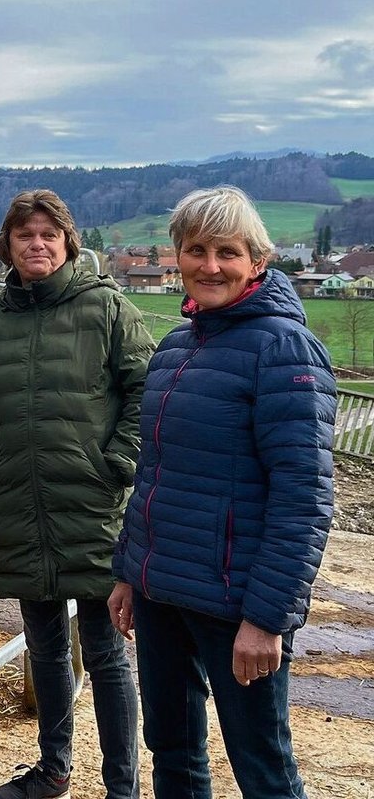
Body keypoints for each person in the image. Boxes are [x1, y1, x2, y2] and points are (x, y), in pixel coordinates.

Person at [109, 186, 337, 798]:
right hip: (164, 593)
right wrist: (131, 572)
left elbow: (303, 494)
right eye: (197, 249)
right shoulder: (176, 349)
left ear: (257, 262)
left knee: (261, 766)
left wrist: (267, 619)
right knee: (173, 751)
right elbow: (155, 471)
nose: (211, 266)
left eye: (228, 252)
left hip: (237, 601)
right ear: (177, 256)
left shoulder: (282, 348)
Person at [0, 189, 154, 799]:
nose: (37, 244)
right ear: (7, 246)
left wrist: (118, 462)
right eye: (25, 235)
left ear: (68, 241)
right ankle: (53, 769)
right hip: (19, 502)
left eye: (49, 234)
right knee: (44, 648)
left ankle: (122, 786)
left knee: (104, 653)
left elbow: (144, 392)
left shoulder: (107, 309)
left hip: (92, 504)